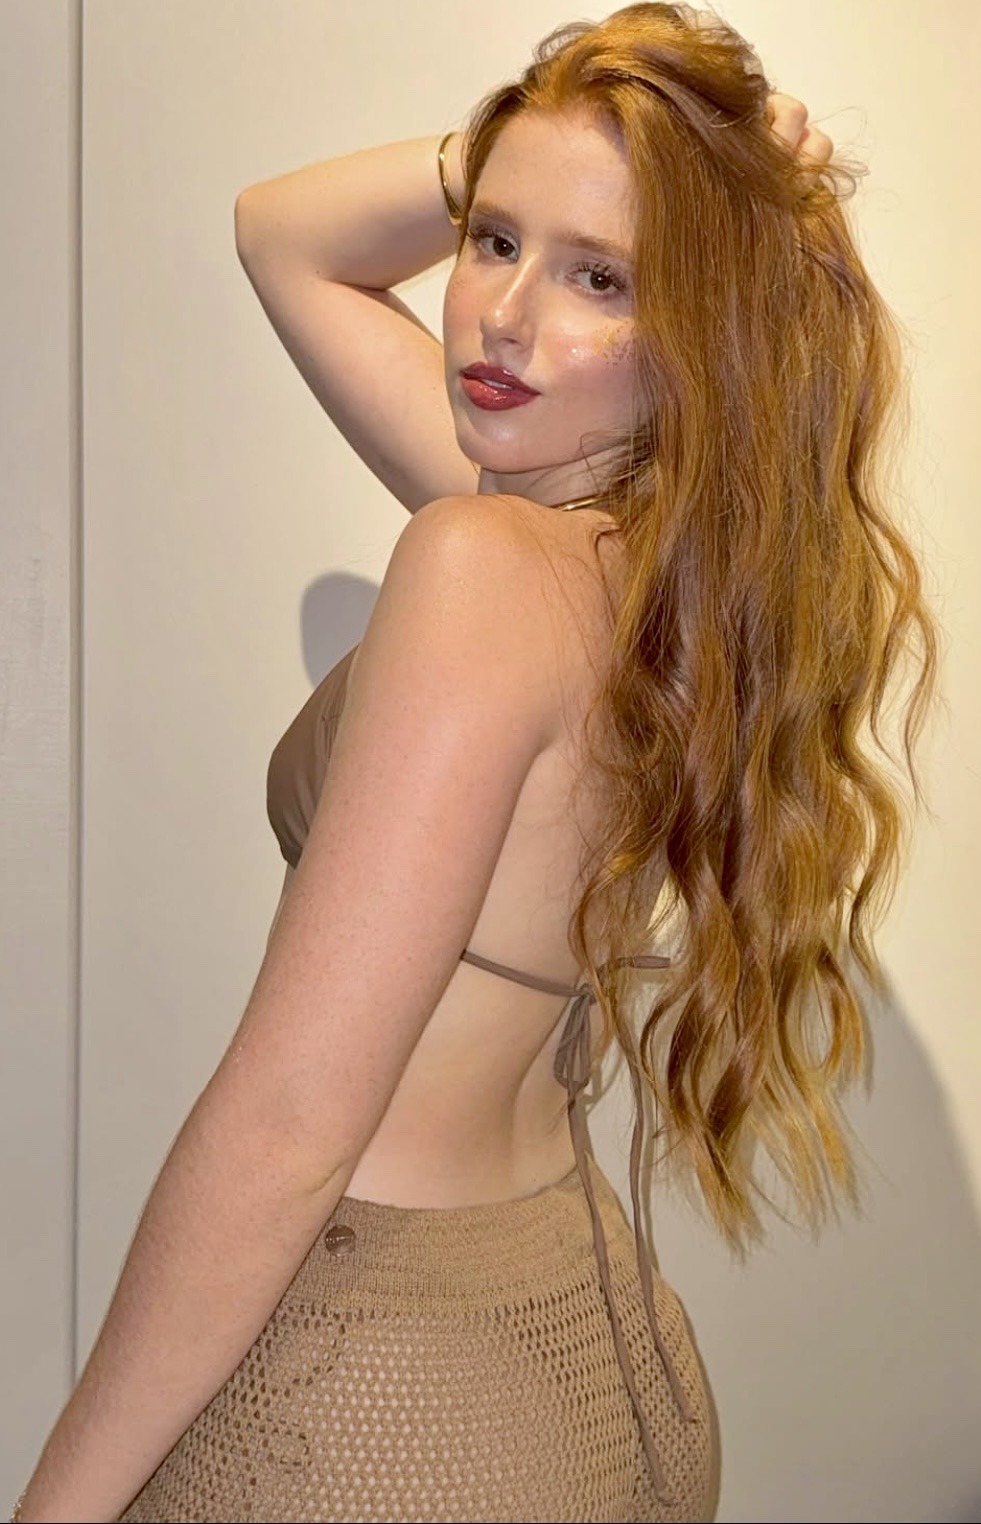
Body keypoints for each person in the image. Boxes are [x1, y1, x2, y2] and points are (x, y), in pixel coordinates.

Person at [11, 5, 940, 1522]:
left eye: (599, 278)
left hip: (380, 1396)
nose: (502, 316)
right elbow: (279, 235)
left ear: (699, 330)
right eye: (492, 241)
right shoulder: (674, 585)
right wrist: (577, 133)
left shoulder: (482, 565)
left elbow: (288, 1128)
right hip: (583, 1340)